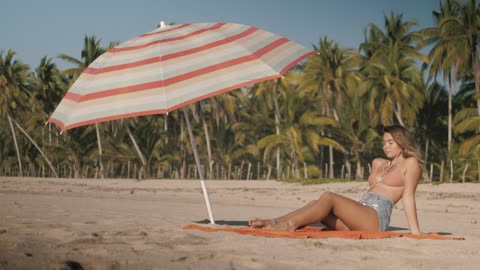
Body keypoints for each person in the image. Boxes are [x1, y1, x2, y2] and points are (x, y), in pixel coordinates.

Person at [249, 125, 422, 234]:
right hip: (360, 214)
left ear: (401, 142)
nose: (385, 146)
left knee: (328, 197)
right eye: (383, 143)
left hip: (375, 218)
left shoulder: (411, 164)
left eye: (390, 142)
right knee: (314, 205)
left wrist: (416, 233)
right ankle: (273, 221)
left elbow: (408, 197)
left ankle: (288, 225)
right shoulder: (379, 163)